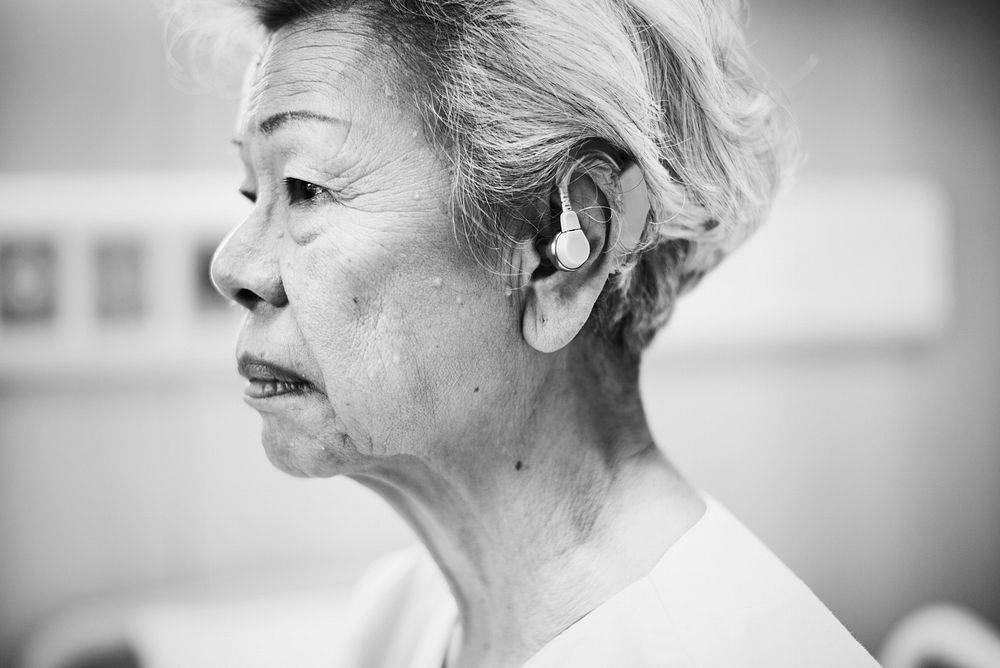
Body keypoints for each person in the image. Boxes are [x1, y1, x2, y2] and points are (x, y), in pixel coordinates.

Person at [206, 0, 880, 665]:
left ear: (562, 253)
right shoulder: (399, 616)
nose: (232, 267)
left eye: (304, 186)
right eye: (250, 195)